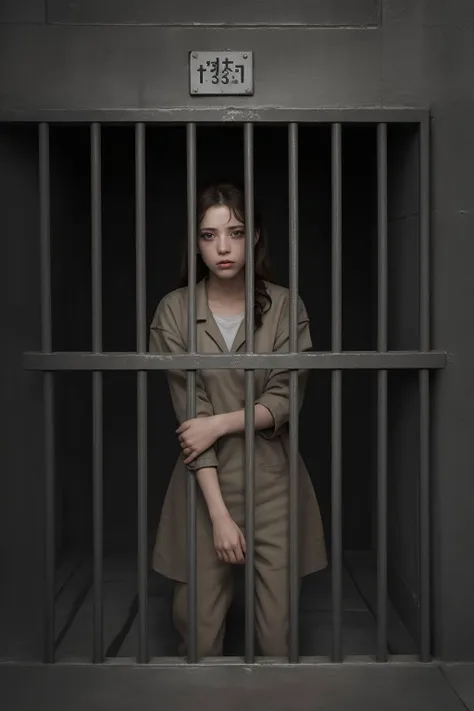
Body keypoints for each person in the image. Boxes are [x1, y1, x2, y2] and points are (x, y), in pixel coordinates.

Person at [149, 182, 327, 658]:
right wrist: (220, 515)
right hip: (205, 482)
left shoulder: (286, 305)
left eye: (236, 232)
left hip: (274, 478)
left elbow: (286, 397)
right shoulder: (175, 310)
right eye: (209, 235)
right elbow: (192, 418)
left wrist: (220, 422)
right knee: (200, 637)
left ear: (256, 237)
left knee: (277, 639)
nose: (223, 247)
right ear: (196, 242)